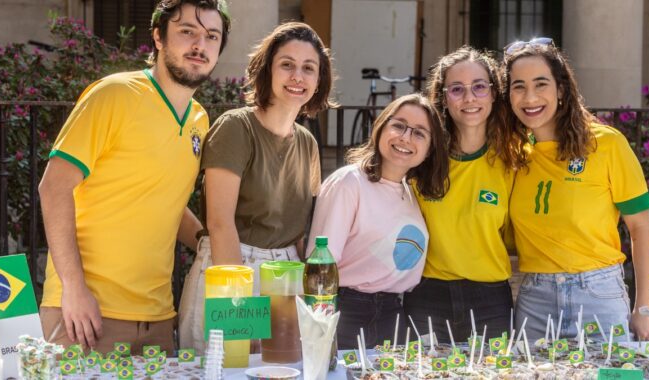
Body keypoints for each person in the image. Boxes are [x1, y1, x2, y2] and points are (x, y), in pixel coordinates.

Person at [37, 0, 230, 354]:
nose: (199, 45)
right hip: (88, 314)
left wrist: (210, 242)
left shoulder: (199, 121)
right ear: (158, 37)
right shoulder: (113, 94)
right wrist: (74, 289)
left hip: (157, 321)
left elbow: (166, 204)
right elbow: (53, 187)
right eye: (187, 31)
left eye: (211, 36)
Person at [178, 22, 334, 352]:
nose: (298, 76)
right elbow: (220, 224)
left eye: (309, 68)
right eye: (287, 65)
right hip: (231, 269)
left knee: (281, 369)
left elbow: (298, 233)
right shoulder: (236, 127)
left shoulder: (307, 143)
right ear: (267, 70)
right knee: (227, 370)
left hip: (285, 276)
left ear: (319, 80)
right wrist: (239, 310)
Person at [502, 38, 649, 341]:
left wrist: (644, 304)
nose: (529, 97)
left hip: (599, 296)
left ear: (561, 89)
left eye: (540, 84)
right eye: (518, 86)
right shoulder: (512, 154)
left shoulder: (607, 144)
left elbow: (640, 227)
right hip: (534, 299)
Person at [307, 94, 449, 349]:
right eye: (399, 125)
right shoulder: (349, 183)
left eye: (419, 133)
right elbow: (320, 267)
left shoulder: (412, 192)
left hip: (394, 314)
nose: (405, 137)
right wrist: (318, 331)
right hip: (347, 312)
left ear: (430, 149)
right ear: (381, 127)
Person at [404, 46, 524, 343]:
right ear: (443, 98)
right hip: (426, 296)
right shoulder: (421, 159)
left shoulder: (515, 160)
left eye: (479, 87)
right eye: (456, 89)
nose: (469, 98)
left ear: (494, 93)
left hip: (490, 300)